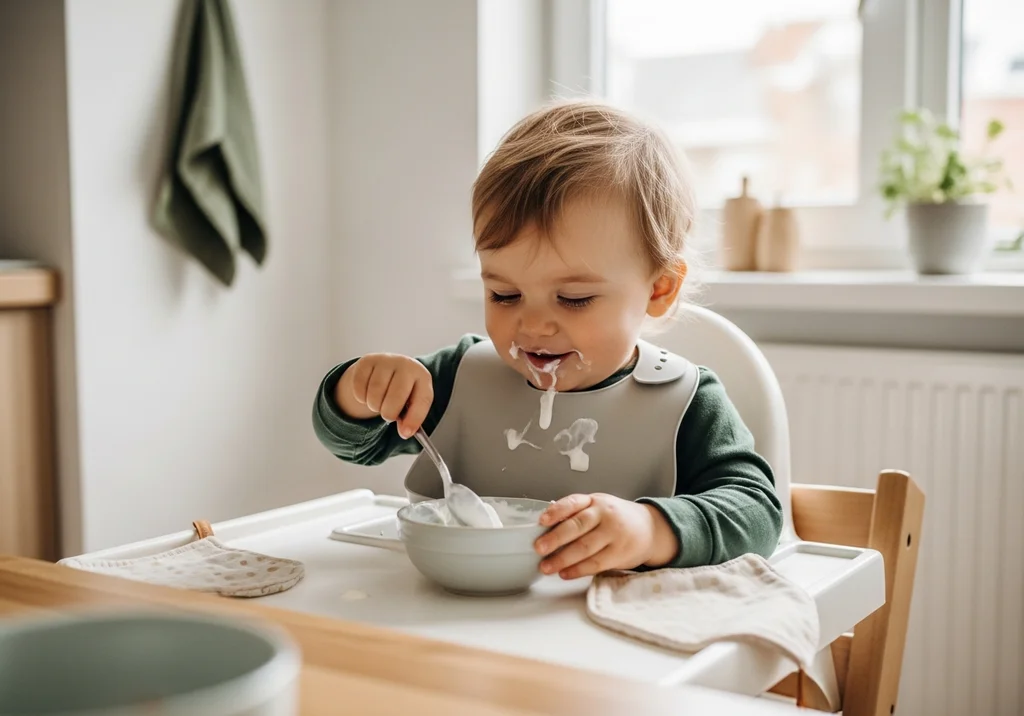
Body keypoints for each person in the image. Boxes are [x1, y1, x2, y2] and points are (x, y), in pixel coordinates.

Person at [313, 101, 782, 580]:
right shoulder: (461, 378)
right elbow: (353, 442)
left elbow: (757, 513)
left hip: (603, 639)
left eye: (574, 298)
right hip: (454, 624)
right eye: (504, 294)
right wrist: (358, 391)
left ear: (659, 289)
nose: (533, 326)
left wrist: (650, 529)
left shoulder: (685, 403)